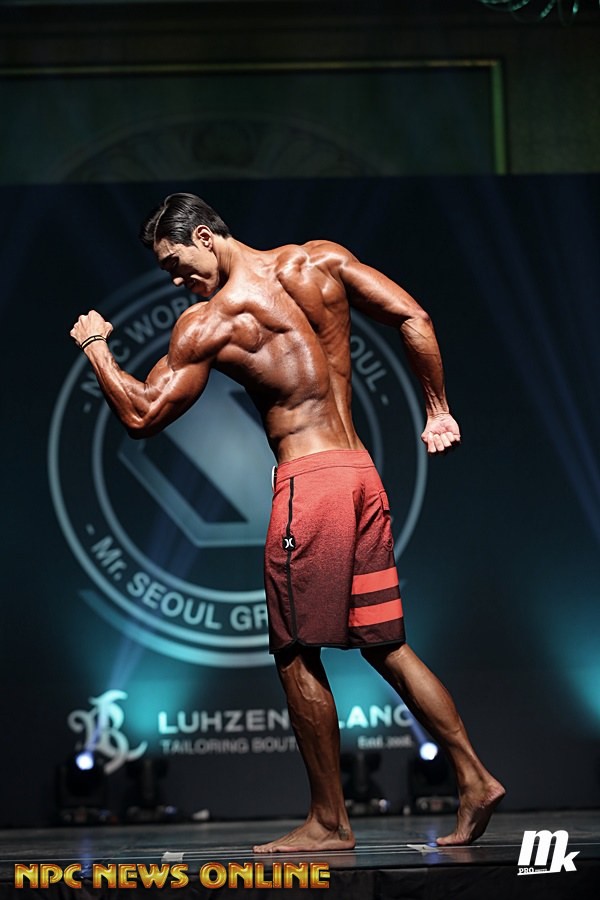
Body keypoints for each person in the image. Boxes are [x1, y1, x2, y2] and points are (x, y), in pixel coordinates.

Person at [70, 192, 504, 852]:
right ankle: (474, 778)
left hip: (311, 486)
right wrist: (437, 407)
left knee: (296, 651)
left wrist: (98, 348)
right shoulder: (318, 260)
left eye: (177, 264)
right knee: (386, 645)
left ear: (207, 236)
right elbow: (411, 315)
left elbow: (142, 414)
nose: (177, 281)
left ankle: (329, 822)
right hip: (360, 477)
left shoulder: (212, 320)